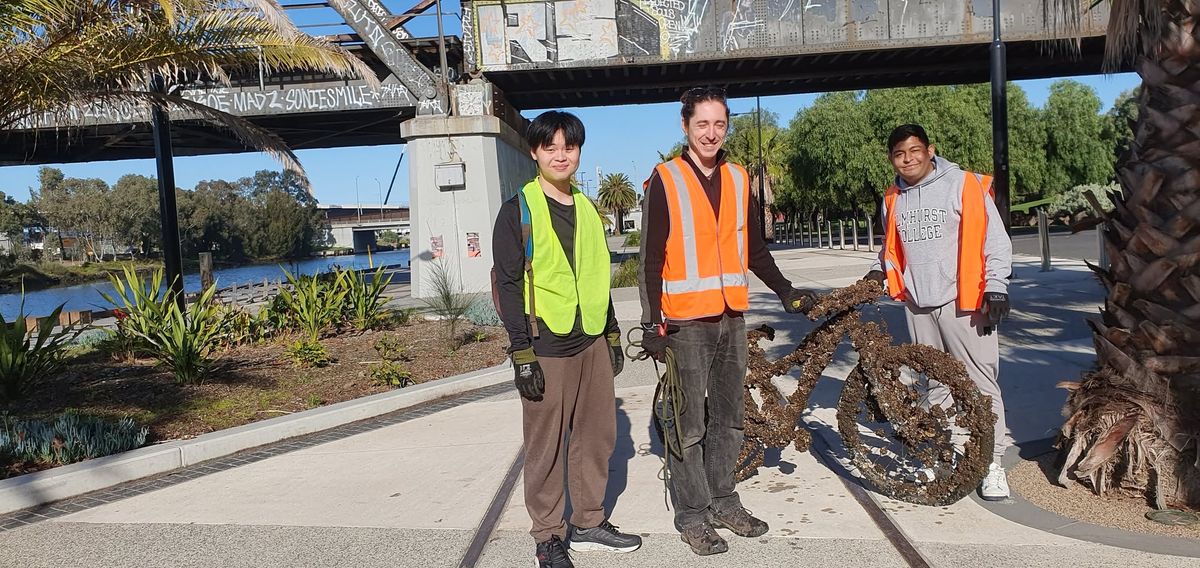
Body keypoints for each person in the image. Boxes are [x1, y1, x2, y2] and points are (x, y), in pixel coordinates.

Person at [637, 86, 817, 556]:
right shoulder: (666, 179)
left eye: (719, 124)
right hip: (684, 324)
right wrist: (652, 322)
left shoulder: (739, 179)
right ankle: (693, 515)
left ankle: (724, 501)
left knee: (730, 421)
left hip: (731, 318)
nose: (711, 133)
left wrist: (785, 291)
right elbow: (651, 259)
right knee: (687, 424)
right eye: (702, 124)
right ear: (685, 126)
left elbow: (754, 249)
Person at [491, 111, 642, 568]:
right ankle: (548, 536)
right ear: (534, 152)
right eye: (550, 147)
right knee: (545, 445)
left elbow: (599, 277)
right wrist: (521, 353)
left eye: (569, 146)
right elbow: (509, 285)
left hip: (591, 339)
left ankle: (589, 521)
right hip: (545, 344)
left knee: (598, 436)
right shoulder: (518, 210)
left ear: (579, 151)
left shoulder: (589, 209)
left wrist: (612, 333)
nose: (561, 155)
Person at [863, 123, 1013, 501]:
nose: (908, 159)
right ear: (891, 159)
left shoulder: (963, 184)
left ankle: (992, 463)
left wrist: (996, 286)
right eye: (899, 154)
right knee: (933, 385)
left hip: (964, 302)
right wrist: (880, 271)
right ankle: (940, 454)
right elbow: (892, 248)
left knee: (980, 384)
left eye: (914, 150)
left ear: (930, 150)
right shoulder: (892, 197)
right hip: (917, 304)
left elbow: (995, 239)